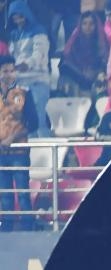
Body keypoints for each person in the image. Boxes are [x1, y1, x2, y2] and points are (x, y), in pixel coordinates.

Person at [0, 53, 36, 232]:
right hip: (0, 153)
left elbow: (33, 123)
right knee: (4, 195)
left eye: (11, 70)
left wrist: (12, 138)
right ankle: (5, 230)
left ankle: (27, 229)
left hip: (19, 153)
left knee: (22, 193)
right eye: (5, 71)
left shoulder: (24, 93)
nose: (8, 74)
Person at [6, 1, 48, 137]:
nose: (18, 20)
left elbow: (39, 54)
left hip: (38, 83)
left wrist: (26, 64)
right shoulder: (13, 34)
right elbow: (12, 56)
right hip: (20, 86)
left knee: (39, 118)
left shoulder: (39, 30)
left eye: (21, 16)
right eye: (15, 17)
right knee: (23, 118)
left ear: (26, 15)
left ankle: (44, 151)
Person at [59, 11, 109, 97]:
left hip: (95, 76)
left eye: (91, 24)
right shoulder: (75, 40)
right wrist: (82, 72)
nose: (87, 27)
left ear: (96, 25)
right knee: (65, 71)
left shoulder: (101, 41)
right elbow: (66, 61)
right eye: (84, 24)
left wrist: (96, 72)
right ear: (80, 25)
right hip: (77, 75)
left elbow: (104, 61)